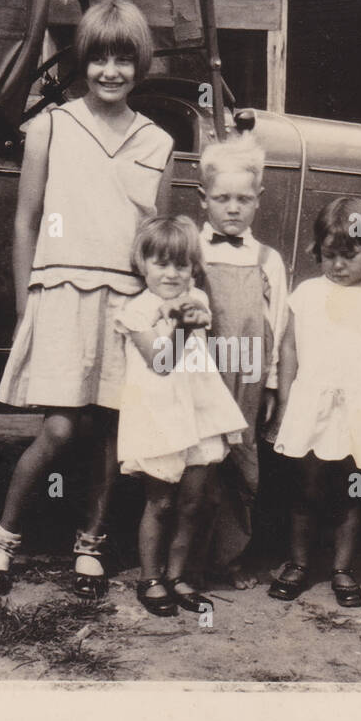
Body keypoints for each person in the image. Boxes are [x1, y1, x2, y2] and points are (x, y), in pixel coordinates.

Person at [0, 0, 175, 598]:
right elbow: (25, 222)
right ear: (83, 62)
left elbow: (158, 245)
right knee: (61, 429)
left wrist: (159, 317)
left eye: (123, 59)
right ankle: (3, 539)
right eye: (99, 58)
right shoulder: (50, 127)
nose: (110, 71)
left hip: (126, 306)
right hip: (60, 293)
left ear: (140, 65)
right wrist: (24, 306)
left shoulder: (158, 142)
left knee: (113, 433)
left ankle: (91, 545)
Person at [269, 197, 361, 608]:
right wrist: (285, 405)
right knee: (306, 488)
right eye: (329, 256)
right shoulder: (308, 293)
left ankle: (342, 568)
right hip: (313, 406)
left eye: (349, 255)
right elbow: (289, 350)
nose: (338, 266)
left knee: (351, 490)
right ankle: (297, 563)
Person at [114, 215, 248, 616]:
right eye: (161, 263)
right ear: (143, 264)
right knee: (161, 503)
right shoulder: (135, 311)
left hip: (199, 411)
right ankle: (150, 577)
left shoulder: (198, 300)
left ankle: (178, 575)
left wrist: (190, 319)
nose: (171, 274)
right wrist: (179, 326)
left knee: (193, 502)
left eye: (181, 265)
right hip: (159, 413)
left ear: (193, 267)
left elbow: (198, 350)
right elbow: (160, 362)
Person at [195, 134, 289, 589]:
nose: (232, 208)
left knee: (240, 461)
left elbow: (278, 327)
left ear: (258, 201)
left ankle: (228, 558)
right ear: (203, 199)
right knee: (196, 462)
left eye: (243, 199)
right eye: (222, 198)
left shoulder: (269, 261)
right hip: (200, 375)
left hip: (247, 375)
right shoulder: (192, 253)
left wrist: (271, 385)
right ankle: (185, 561)